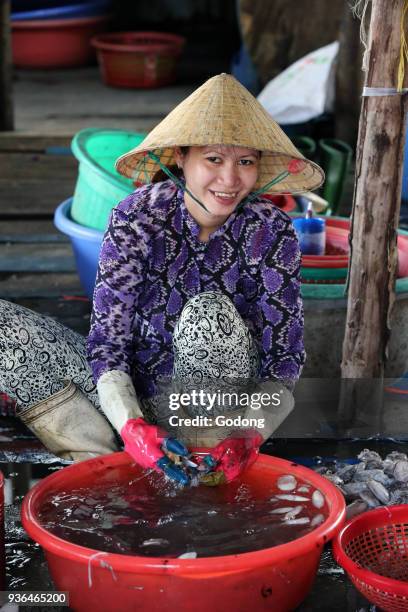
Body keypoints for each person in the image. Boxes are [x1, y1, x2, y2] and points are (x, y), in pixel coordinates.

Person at [0, 74, 323, 483]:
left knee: (208, 315)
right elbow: (108, 341)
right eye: (213, 159)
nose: (229, 180)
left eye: (246, 162)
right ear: (181, 158)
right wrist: (131, 423)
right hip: (132, 394)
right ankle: (104, 471)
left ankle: (201, 470)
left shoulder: (271, 230)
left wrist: (249, 434)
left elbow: (284, 356)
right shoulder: (135, 217)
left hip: (217, 406)